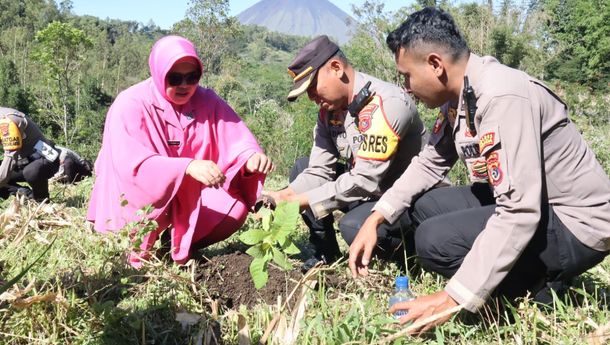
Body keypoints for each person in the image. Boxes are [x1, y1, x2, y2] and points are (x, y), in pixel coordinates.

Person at [348, 7, 610, 334]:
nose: (406, 87)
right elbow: (430, 162)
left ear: (435, 64)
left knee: (435, 241)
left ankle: (534, 290)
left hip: (576, 224)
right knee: (427, 207)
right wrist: (377, 216)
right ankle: (518, 274)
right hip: (536, 204)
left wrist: (453, 296)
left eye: (407, 76)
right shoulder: (460, 96)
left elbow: (519, 212)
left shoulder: (501, 94)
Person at [87, 35, 273, 268]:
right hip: (137, 202)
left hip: (184, 197)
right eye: (174, 78)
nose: (185, 85)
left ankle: (173, 244)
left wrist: (250, 159)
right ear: (158, 73)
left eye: (192, 77)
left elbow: (236, 137)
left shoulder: (207, 101)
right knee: (128, 257)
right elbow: (131, 168)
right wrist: (186, 167)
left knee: (233, 208)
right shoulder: (130, 104)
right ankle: (136, 246)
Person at [263, 35, 425, 271]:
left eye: (312, 87)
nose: (311, 97)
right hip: (370, 193)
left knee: (351, 226)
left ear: (336, 68)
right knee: (302, 168)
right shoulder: (328, 113)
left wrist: (293, 202)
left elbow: (364, 180)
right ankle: (325, 253)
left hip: (406, 200)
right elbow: (319, 171)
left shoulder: (386, 102)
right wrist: (280, 196)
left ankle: (410, 258)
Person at [0, 107, 60, 202]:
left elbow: (10, 157)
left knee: (31, 171)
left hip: (46, 156)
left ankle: (41, 199)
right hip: (22, 162)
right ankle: (26, 195)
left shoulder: (6, 121)